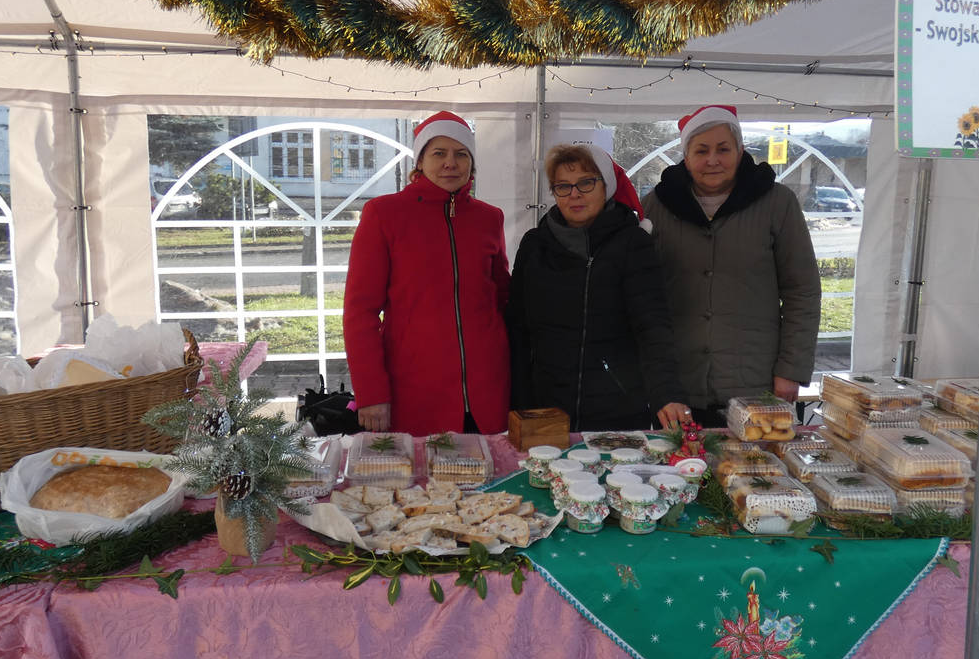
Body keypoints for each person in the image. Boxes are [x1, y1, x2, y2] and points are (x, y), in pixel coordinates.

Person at [641, 105, 822, 426]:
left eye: (723, 149)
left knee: (757, 458)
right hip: (678, 383)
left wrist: (791, 369)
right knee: (680, 458)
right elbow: (640, 295)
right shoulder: (656, 205)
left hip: (756, 383)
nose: (713, 160)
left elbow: (802, 291)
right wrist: (654, 379)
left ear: (740, 151)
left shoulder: (777, 203)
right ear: (686, 156)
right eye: (701, 150)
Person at [343, 111, 510, 435]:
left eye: (461, 154)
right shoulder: (384, 214)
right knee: (422, 468)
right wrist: (371, 392)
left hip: (487, 387)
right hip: (415, 388)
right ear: (419, 161)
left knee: (492, 465)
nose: (451, 163)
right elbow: (359, 312)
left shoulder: (490, 218)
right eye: (439, 153)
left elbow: (502, 296)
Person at [508, 143, 690, 431]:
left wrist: (667, 393)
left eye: (586, 183)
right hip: (545, 407)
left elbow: (652, 326)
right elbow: (518, 330)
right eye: (563, 186)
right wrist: (518, 400)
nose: (575, 194)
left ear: (606, 187)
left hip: (616, 406)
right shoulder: (534, 245)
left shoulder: (633, 244)